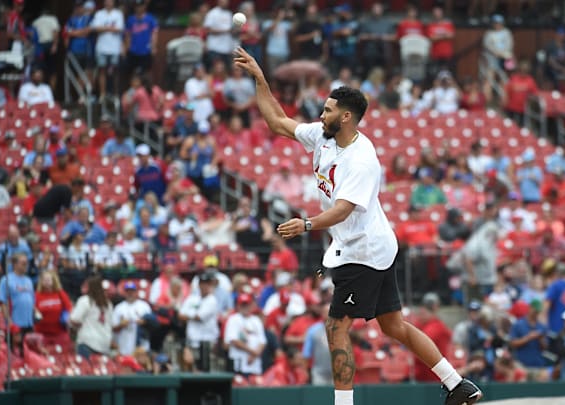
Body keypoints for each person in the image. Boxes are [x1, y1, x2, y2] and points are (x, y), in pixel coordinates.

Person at [233, 47, 482, 405]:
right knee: (393, 326)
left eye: (329, 110)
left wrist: (305, 224)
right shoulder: (324, 135)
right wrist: (260, 78)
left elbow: (343, 210)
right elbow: (277, 121)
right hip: (368, 245)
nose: (321, 115)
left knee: (336, 327)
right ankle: (457, 384)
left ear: (346, 117)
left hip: (362, 249)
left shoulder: (362, 159)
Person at [179, 272, 218, 372]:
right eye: (202, 283)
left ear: (210, 285)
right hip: (192, 340)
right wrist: (192, 315)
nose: (204, 286)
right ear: (199, 284)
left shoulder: (212, 300)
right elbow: (180, 315)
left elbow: (199, 317)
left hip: (208, 342)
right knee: (191, 369)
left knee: (206, 370)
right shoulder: (192, 298)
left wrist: (189, 315)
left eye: (207, 283)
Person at [70, 276, 114, 358]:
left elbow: (74, 320)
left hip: (87, 342)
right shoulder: (108, 304)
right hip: (104, 343)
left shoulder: (85, 300)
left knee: (86, 369)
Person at [223, 293, 266, 375]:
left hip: (255, 366)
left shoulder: (256, 320)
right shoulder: (233, 319)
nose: (245, 307)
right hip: (239, 365)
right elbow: (234, 340)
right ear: (238, 306)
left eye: (247, 304)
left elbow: (262, 341)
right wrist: (253, 352)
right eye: (243, 304)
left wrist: (254, 355)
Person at [0, 253, 35, 334]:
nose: (26, 266)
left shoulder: (29, 280)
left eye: (27, 263)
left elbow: (32, 301)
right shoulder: (6, 280)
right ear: (15, 264)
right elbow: (2, 302)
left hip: (29, 323)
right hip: (15, 323)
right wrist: (9, 321)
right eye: (23, 263)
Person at [112, 281, 152, 356]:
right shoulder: (119, 308)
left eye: (132, 291)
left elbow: (153, 325)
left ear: (136, 292)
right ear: (125, 293)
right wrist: (121, 325)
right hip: (123, 345)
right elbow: (113, 328)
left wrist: (144, 322)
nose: (130, 293)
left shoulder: (144, 306)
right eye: (128, 291)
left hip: (141, 347)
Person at [34, 271, 72, 345]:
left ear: (53, 281)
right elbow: (34, 310)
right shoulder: (37, 295)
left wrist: (67, 320)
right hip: (41, 333)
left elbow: (69, 308)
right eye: (44, 280)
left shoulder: (60, 293)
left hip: (59, 332)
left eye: (48, 280)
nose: (46, 282)